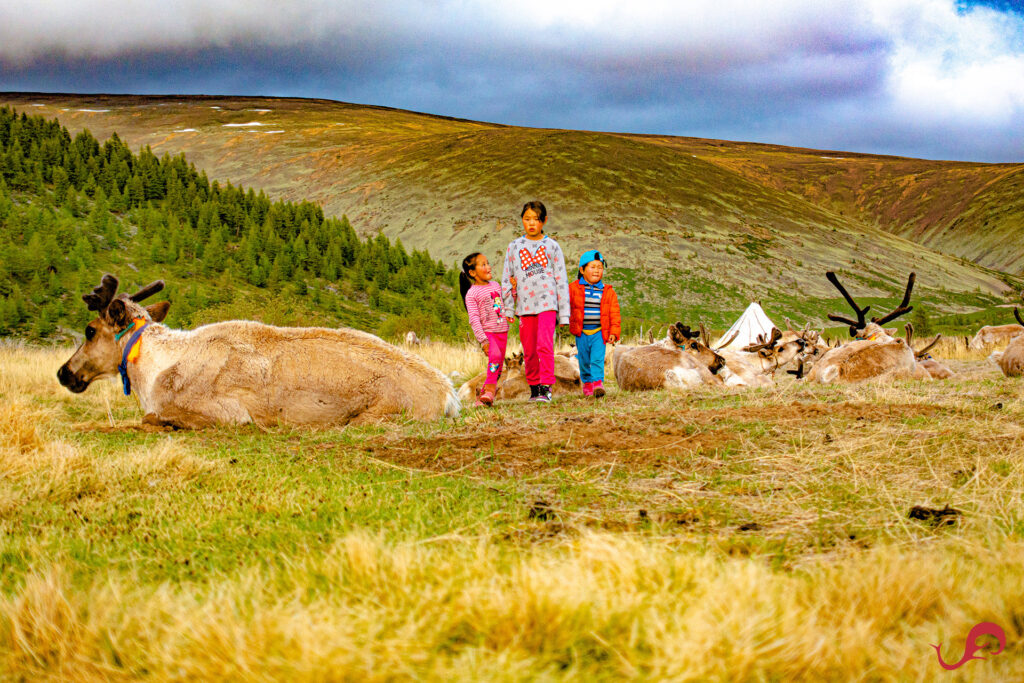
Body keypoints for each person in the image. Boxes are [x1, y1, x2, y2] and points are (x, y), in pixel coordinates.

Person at [501, 201, 569, 403]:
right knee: (529, 350)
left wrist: (564, 313)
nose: (531, 224)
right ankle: (534, 389)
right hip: (524, 306)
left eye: (536, 219)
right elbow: (507, 277)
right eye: (527, 219)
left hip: (547, 304)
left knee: (544, 346)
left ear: (544, 221)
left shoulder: (552, 246)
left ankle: (546, 388)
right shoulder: (514, 247)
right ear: (522, 220)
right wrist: (508, 309)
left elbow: (561, 279)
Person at [569, 250, 620, 397]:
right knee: (584, 360)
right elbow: (565, 304)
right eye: (593, 267)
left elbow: (615, 314)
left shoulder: (608, 291)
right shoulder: (573, 288)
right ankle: (587, 384)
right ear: (582, 269)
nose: (597, 270)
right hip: (582, 332)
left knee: (597, 358)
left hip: (599, 332)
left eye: (600, 267)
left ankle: (598, 384)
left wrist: (614, 332)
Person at [460, 252, 508, 406]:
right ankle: (490, 391)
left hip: (502, 331)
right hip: (488, 333)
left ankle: (482, 397)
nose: (488, 267)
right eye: (483, 264)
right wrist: (483, 341)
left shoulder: (496, 285)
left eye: (488, 263)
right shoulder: (471, 294)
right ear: (473, 273)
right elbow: (474, 319)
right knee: (494, 357)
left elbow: (504, 303)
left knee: (498, 368)